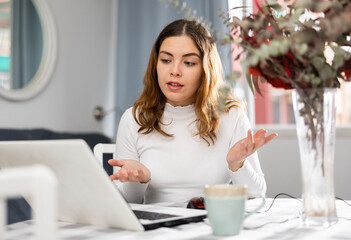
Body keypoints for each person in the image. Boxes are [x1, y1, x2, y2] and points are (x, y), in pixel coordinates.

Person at [108, 19, 277, 207]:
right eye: (166, 60)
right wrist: (137, 180)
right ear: (156, 64)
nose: (174, 71)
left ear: (206, 69)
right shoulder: (134, 119)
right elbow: (125, 203)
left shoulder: (232, 116)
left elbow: (257, 196)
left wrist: (237, 165)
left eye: (188, 62)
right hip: (157, 231)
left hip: (211, 227)